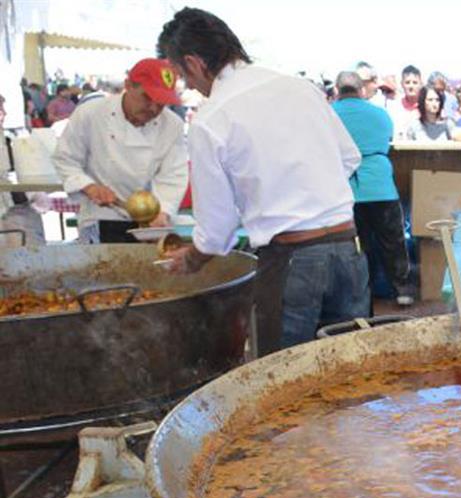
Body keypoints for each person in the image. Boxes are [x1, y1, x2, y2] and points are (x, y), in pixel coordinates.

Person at [157, 8, 368, 354]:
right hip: (348, 251)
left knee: (284, 383)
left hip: (292, 260)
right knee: (350, 376)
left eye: (183, 76)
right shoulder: (300, 88)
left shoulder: (211, 120)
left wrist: (192, 259)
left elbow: (216, 228)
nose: (189, 86)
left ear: (193, 63)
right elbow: (349, 158)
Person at [52, 58, 188, 244]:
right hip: (103, 216)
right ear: (128, 85)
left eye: (162, 102)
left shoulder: (172, 125)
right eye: (147, 98)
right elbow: (65, 159)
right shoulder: (91, 113)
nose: (154, 108)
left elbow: (173, 175)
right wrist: (89, 186)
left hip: (150, 221)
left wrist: (163, 211)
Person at [332, 72, 414, 306]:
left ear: (338, 90)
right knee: (393, 242)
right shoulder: (380, 114)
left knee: (359, 247)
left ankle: (362, 295)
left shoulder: (329, 115)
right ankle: (403, 290)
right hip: (381, 187)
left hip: (347, 190)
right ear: (361, 90)